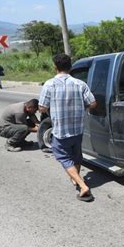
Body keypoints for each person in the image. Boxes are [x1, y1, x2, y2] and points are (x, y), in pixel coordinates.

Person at [39, 54, 97, 202]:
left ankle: (83, 186)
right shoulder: (80, 84)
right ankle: (76, 179)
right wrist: (80, 107)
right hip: (78, 129)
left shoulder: (49, 84)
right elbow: (93, 103)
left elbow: (42, 107)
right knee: (76, 155)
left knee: (63, 157)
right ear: (70, 67)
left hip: (61, 131)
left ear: (55, 67)